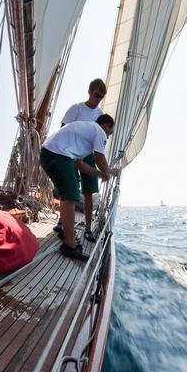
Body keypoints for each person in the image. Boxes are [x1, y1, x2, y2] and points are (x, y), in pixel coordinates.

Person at [40, 114, 118, 260]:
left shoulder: (84, 133)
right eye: (110, 133)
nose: (108, 138)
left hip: (48, 154)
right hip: (57, 155)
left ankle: (65, 231)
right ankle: (70, 245)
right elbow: (99, 158)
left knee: (67, 192)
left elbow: (78, 164)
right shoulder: (99, 131)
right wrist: (108, 172)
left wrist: (101, 174)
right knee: (71, 194)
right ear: (106, 126)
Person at [55, 78, 107, 242]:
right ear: (90, 91)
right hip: (71, 153)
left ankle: (88, 229)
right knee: (69, 188)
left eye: (102, 97)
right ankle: (61, 222)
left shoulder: (100, 115)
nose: (99, 100)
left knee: (89, 192)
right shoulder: (76, 109)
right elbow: (63, 128)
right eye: (97, 95)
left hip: (89, 155)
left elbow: (100, 136)